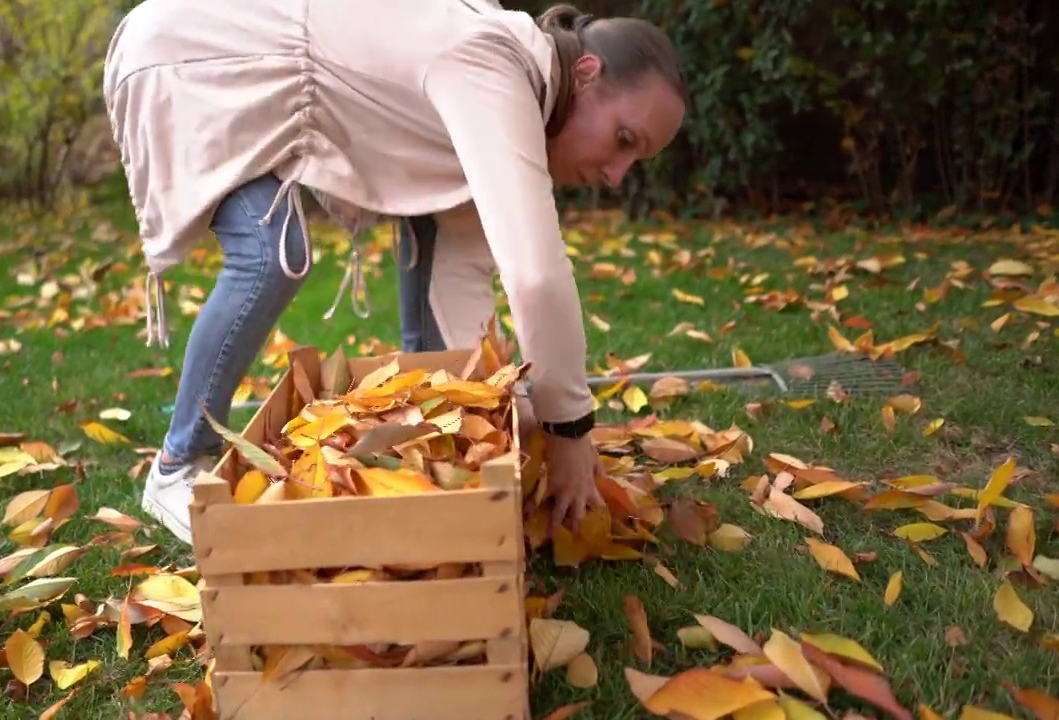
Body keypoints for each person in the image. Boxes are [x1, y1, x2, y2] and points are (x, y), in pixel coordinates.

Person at [103, 0, 687, 546]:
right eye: (623, 140)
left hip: (229, 57)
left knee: (405, 235)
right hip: (194, 54)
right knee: (270, 255)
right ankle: (178, 465)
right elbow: (534, 273)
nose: (616, 174)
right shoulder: (493, 66)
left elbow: (460, 273)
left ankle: (427, 441)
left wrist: (503, 408)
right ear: (585, 73)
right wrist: (570, 431)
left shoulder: (512, 91)